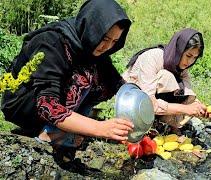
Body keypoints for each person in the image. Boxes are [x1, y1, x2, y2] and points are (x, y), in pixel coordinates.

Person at [1, 0, 134, 159]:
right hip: (24, 102)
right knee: (84, 77)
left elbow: (116, 83)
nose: (107, 47)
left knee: (103, 81)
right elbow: (47, 105)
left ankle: (70, 127)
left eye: (114, 41)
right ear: (91, 29)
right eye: (105, 38)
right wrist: (100, 128)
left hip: (49, 100)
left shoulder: (91, 46)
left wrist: (141, 101)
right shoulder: (51, 42)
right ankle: (50, 133)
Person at [123, 28, 209, 131]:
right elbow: (148, 103)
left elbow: (188, 95)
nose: (190, 61)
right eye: (188, 55)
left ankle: (161, 122)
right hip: (132, 104)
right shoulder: (152, 58)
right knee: (166, 77)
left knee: (184, 92)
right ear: (179, 50)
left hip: (155, 105)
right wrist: (186, 109)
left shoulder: (181, 68)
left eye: (194, 57)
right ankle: (154, 121)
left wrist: (199, 108)